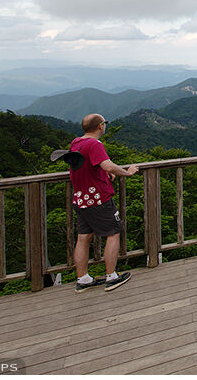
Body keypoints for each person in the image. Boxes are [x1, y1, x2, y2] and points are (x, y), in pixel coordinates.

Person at [69, 113, 139, 292]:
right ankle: (111, 276)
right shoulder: (94, 144)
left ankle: (83, 278)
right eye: (104, 124)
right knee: (113, 233)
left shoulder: (77, 143)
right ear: (100, 126)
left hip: (81, 198)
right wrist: (127, 172)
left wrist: (105, 175)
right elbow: (107, 165)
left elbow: (89, 168)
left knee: (83, 238)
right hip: (98, 199)